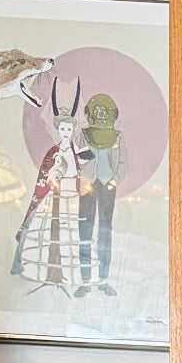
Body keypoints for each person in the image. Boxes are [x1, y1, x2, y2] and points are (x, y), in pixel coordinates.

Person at [12, 79, 86, 295]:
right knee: (51, 234)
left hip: (71, 198)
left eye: (68, 128)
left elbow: (78, 171)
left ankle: (68, 276)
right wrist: (55, 172)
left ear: (73, 129)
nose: (65, 132)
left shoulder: (75, 150)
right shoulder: (54, 151)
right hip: (54, 199)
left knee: (69, 235)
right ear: (58, 128)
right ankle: (50, 273)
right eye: (62, 128)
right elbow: (46, 176)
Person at [76, 93, 127, 298]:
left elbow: (123, 163)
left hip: (107, 187)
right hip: (87, 187)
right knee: (84, 233)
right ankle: (85, 281)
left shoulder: (118, 136)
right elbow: (79, 158)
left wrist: (113, 181)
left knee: (105, 232)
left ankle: (103, 279)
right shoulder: (84, 134)